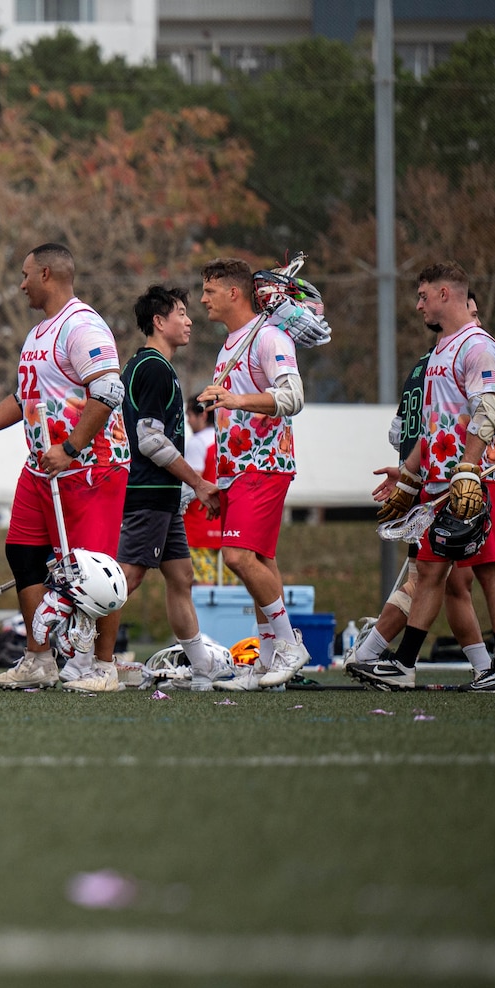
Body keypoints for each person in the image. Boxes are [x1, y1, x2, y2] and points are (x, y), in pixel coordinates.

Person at [0, 243, 130, 692]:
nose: (21, 283)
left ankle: (103, 668)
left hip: (91, 465)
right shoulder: (38, 333)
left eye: (26, 274)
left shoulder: (82, 324)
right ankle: (39, 658)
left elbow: (108, 389)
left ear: (47, 274)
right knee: (23, 553)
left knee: (95, 567)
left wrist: (70, 446)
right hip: (43, 469)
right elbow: (23, 398)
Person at [358, 261, 495, 693]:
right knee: (429, 572)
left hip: (478, 480)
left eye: (423, 296)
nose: (418, 306)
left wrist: (468, 469)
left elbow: (487, 413)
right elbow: (434, 425)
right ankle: (404, 664)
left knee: (490, 572)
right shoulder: (439, 351)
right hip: (439, 483)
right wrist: (411, 476)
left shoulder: (478, 345)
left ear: (445, 295)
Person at [346, 307, 495, 683]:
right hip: (442, 482)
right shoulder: (453, 362)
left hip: (420, 479)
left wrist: (408, 471)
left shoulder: (421, 366)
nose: (476, 320)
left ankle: (484, 667)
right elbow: (480, 419)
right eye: (471, 313)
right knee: (428, 579)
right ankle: (370, 654)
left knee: (450, 583)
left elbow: (398, 432)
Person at [194, 257, 311, 691]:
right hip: (237, 470)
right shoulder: (231, 343)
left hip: (264, 465)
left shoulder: (271, 336)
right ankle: (266, 661)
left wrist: (236, 399)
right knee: (260, 561)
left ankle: (288, 644)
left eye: (209, 290)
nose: (203, 298)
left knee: (237, 557)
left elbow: (293, 397)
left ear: (234, 293)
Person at [116, 285, 224, 688]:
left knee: (181, 576)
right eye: (180, 312)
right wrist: (197, 483)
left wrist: (182, 492)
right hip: (148, 494)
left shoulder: (150, 366)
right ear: (159, 322)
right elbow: (149, 439)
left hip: (164, 496)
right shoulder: (154, 368)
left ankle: (202, 666)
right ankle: (82, 654)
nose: (189, 319)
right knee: (127, 578)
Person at [182, 397, 224, 583]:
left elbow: (190, 485)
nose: (188, 420)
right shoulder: (226, 439)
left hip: (198, 529)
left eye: (190, 415)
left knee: (202, 594)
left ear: (203, 414)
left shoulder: (197, 443)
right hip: (225, 529)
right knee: (229, 595)